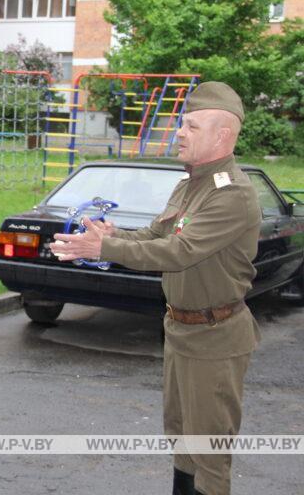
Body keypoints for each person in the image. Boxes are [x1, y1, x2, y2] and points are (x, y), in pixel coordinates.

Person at [50, 82, 261, 495]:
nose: (179, 133)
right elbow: (154, 234)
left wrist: (105, 246)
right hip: (182, 330)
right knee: (181, 437)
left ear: (223, 135)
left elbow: (179, 252)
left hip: (215, 337)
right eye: (182, 124)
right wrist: (114, 236)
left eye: (192, 126)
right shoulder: (189, 184)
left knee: (209, 452)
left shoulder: (231, 194)